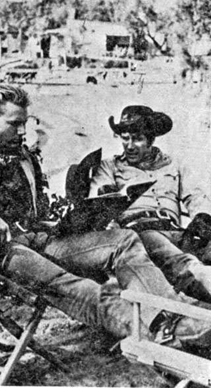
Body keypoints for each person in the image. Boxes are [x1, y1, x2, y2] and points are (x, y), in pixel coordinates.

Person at [0, 86, 211, 350]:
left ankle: (167, 317)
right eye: (14, 124)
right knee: (78, 287)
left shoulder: (23, 156)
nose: (22, 132)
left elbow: (35, 208)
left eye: (24, 124)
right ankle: (165, 334)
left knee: (124, 241)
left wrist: (68, 218)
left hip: (37, 237)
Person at [89, 105, 211, 304]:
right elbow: (99, 201)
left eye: (137, 138)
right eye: (125, 138)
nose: (129, 145)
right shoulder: (109, 166)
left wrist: (202, 219)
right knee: (183, 263)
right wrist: (107, 194)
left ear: (151, 139)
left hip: (177, 232)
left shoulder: (174, 164)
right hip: (141, 235)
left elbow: (196, 197)